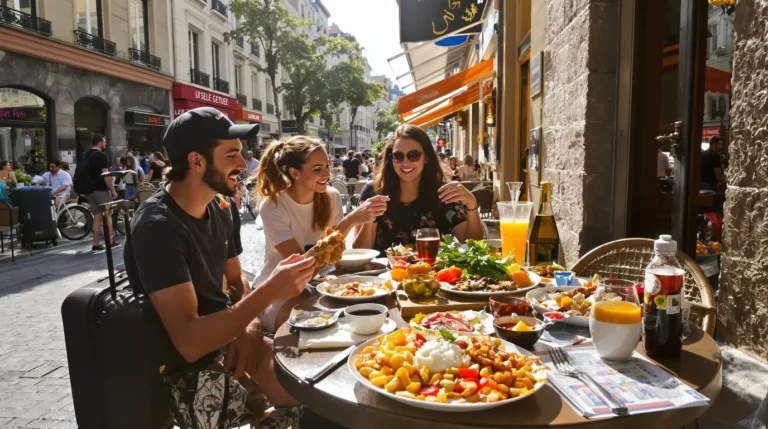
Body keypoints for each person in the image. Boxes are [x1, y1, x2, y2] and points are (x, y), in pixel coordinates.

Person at [124, 107, 309, 428]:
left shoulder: (222, 207)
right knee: (288, 403)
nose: (242, 165)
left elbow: (237, 282)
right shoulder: (158, 226)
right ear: (196, 162)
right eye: (232, 156)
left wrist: (249, 325)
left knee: (303, 388)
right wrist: (267, 295)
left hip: (225, 340)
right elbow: (189, 342)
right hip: (176, 371)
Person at [254, 136, 388, 331]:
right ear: (294, 173)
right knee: (305, 328)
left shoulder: (331, 196)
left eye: (327, 165)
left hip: (317, 284)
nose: (327, 173)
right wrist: (350, 221)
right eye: (317, 169)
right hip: (275, 291)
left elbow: (335, 256)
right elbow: (300, 272)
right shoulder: (273, 206)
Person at [355, 124, 483, 252]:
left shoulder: (444, 194)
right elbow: (358, 253)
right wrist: (369, 219)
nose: (405, 163)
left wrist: (471, 203)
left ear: (426, 158)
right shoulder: (373, 192)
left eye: (413, 155)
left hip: (432, 270)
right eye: (398, 156)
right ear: (391, 159)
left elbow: (471, 245)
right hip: (383, 271)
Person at [84, 133, 119, 252]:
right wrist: (113, 190)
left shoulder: (85, 154)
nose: (105, 143)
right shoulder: (102, 155)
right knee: (108, 215)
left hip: (89, 191)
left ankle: (95, 244)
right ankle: (110, 241)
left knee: (97, 217)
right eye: (104, 141)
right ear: (99, 142)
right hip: (101, 190)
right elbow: (106, 175)